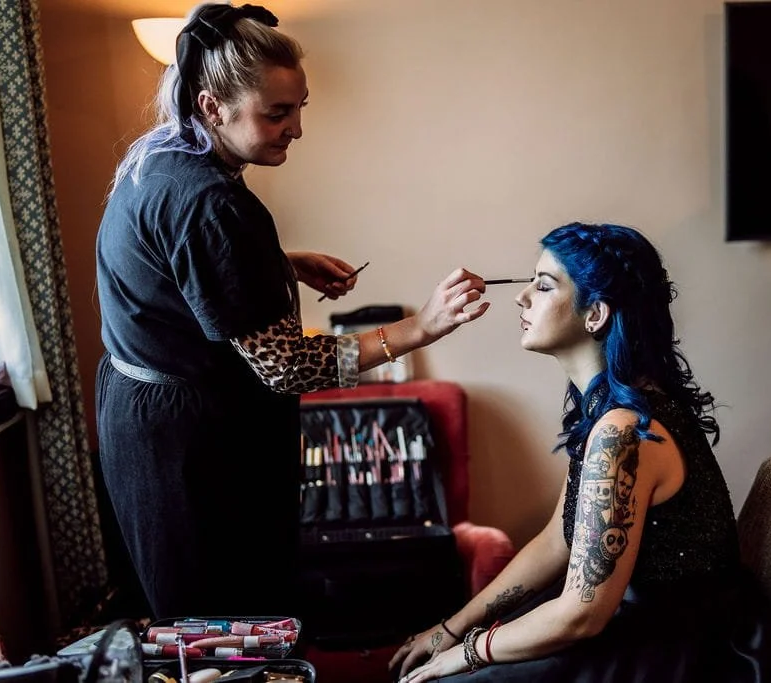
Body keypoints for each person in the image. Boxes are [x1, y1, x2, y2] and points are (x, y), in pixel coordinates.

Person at [95, 1, 489, 619]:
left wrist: (277, 263)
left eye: (300, 106)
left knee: (196, 616)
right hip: (193, 445)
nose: (297, 127)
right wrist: (422, 327)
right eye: (277, 112)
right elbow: (286, 368)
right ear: (211, 107)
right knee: (226, 623)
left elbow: (173, 271)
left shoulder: (160, 154)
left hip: (139, 414)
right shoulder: (214, 206)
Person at [388, 222, 771, 683]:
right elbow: (556, 541)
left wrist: (468, 652)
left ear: (595, 314)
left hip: (673, 651)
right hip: (631, 618)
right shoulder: (617, 406)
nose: (522, 297)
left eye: (543, 285)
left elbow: (580, 615)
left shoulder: (623, 431)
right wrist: (453, 628)